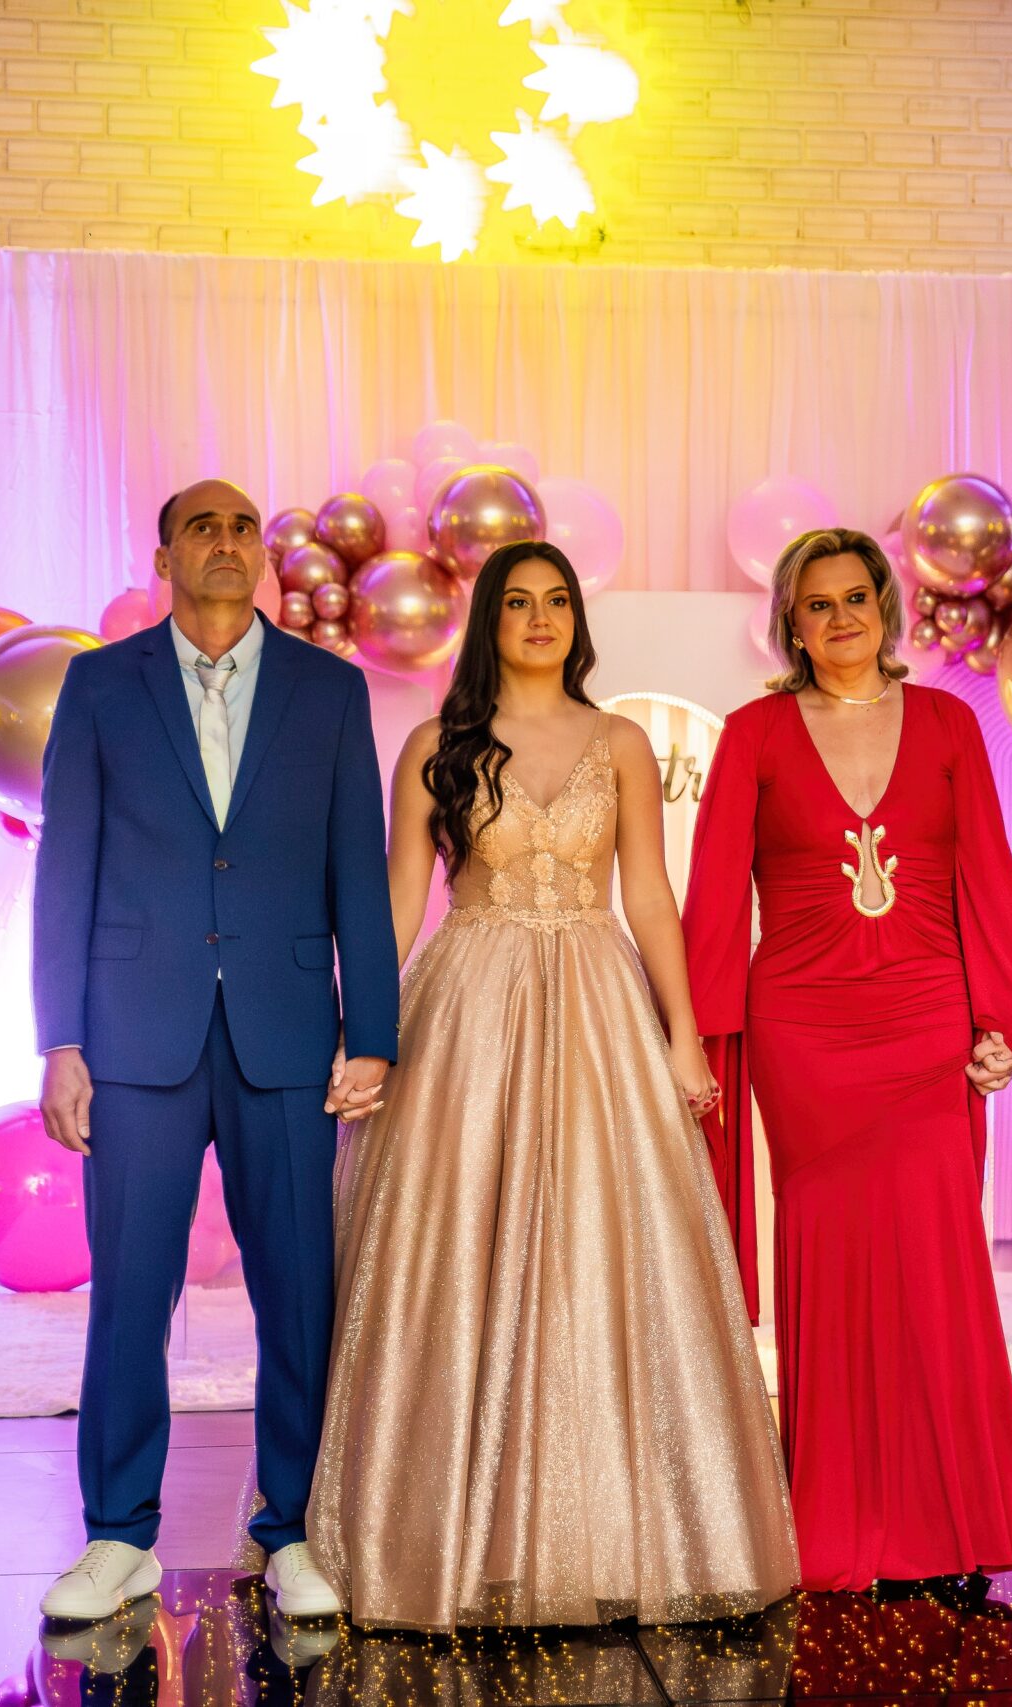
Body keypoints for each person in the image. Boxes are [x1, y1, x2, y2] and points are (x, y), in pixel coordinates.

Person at [305, 540, 797, 1631]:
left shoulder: (619, 741)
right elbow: (397, 901)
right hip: (467, 1003)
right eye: (519, 602)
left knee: (597, 1244)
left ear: (577, 619)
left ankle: (607, 1530)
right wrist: (362, 1030)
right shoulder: (435, 744)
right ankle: (441, 1527)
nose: (541, 618)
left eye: (558, 601)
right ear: (490, 620)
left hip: (596, 998)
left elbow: (649, 896)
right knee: (455, 1246)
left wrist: (682, 1036)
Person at [31, 479, 397, 1623]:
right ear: (165, 557)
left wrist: (372, 1033)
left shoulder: (330, 691)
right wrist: (60, 1040)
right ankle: (117, 1537)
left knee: (298, 1295)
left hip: (286, 1034)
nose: (227, 542)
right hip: (133, 1035)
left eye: (243, 527)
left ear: (262, 556)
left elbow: (358, 866)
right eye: (204, 527)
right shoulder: (101, 684)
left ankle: (293, 1529)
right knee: (129, 1295)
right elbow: (64, 865)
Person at [682, 526, 1012, 1592]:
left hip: (928, 1022)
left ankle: (949, 1521)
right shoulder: (752, 732)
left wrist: (1004, 1020)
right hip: (804, 1032)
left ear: (884, 606)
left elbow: (988, 873)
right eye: (818, 603)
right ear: (791, 623)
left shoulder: (948, 723)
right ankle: (838, 1525)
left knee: (936, 1262)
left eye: (856, 597)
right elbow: (715, 896)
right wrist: (699, 1039)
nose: (840, 617)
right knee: (830, 1259)